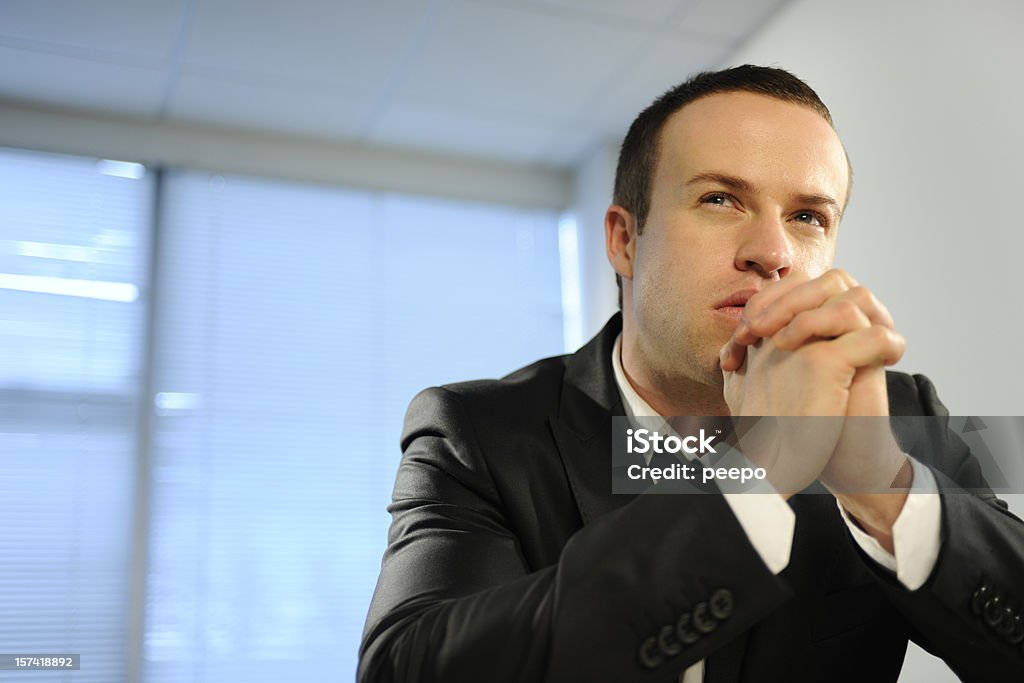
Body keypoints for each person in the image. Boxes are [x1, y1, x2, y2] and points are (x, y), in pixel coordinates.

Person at [357, 65, 1024, 682]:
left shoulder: (902, 416)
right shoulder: (477, 431)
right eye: (721, 200)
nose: (773, 252)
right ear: (624, 239)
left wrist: (885, 489)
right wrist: (753, 474)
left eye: (807, 217)